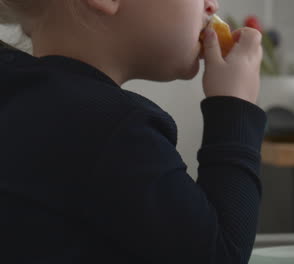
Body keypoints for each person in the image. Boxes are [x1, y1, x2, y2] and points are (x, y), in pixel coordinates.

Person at [0, 0, 265, 263]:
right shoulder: (114, 130)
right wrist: (235, 106)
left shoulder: (17, 93)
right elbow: (221, 255)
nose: (213, 5)